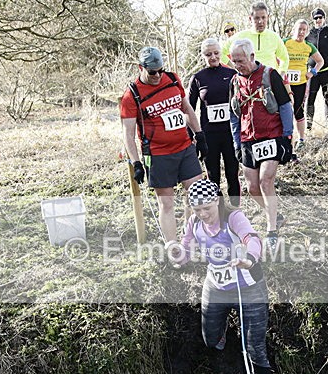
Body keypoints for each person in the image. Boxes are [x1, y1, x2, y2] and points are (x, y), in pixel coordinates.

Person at [166, 179, 272, 374]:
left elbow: (252, 239)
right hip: (216, 287)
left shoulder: (233, 217)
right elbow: (184, 253)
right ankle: (225, 335)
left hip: (249, 288)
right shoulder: (194, 222)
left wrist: (248, 259)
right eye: (197, 209)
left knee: (255, 349)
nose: (203, 214)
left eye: (207, 208)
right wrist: (176, 254)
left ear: (217, 201)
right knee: (211, 339)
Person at [120, 46, 208, 242]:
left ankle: (190, 239)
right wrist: (136, 163)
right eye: (152, 72)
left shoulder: (173, 79)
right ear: (140, 68)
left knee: (195, 197)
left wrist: (200, 135)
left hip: (185, 148)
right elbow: (127, 134)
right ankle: (173, 246)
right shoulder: (132, 95)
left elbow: (187, 108)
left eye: (161, 70)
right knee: (166, 204)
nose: (158, 76)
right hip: (158, 155)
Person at [228, 38, 293, 252]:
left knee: (266, 181)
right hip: (248, 139)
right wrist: (237, 142)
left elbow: (285, 105)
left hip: (272, 136)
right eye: (234, 61)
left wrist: (287, 136)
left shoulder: (269, 74)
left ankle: (271, 230)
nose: (238, 65)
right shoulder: (234, 82)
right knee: (252, 187)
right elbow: (234, 115)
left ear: (252, 57)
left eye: (241, 60)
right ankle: (275, 215)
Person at [188, 38, 240, 206]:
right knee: (213, 176)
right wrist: (192, 135)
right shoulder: (198, 78)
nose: (213, 57)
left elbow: (242, 103)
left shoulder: (232, 74)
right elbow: (189, 109)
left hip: (230, 133)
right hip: (209, 135)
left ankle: (235, 211)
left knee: (232, 173)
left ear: (222, 54)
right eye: (208, 54)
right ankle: (218, 211)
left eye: (216, 53)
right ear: (203, 56)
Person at [283, 19, 323, 149]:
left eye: (304, 30)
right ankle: (284, 138)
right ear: (294, 29)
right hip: (284, 83)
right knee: (283, 111)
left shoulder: (308, 46)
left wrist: (312, 73)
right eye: (299, 29)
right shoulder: (285, 43)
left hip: (300, 83)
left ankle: (301, 139)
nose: (301, 32)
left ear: (307, 32)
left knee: (298, 111)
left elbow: (320, 61)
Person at [221, 2, 289, 75]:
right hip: (248, 81)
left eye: (263, 17)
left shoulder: (274, 37)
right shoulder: (240, 36)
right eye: (257, 18)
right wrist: (234, 68)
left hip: (269, 81)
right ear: (250, 19)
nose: (260, 21)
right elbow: (221, 52)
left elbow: (285, 58)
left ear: (268, 17)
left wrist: (280, 76)